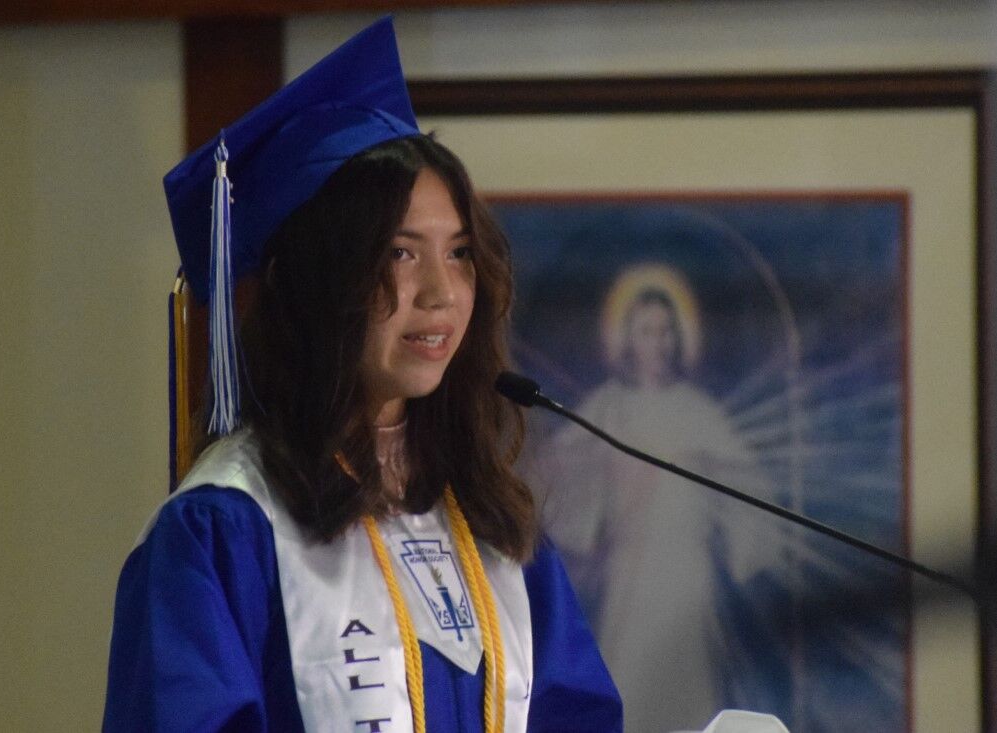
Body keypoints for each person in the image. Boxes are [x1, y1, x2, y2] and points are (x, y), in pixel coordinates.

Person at [103, 18, 621, 733]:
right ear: (319, 278)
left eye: (461, 252)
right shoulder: (224, 529)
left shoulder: (489, 524)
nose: (441, 292)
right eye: (401, 253)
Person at [538, 266, 765, 732]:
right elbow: (558, 476)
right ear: (627, 339)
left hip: (687, 579)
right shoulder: (608, 408)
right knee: (629, 693)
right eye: (646, 331)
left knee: (689, 702)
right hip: (629, 578)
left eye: (665, 332)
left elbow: (749, 487)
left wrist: (741, 546)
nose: (657, 343)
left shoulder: (698, 412)